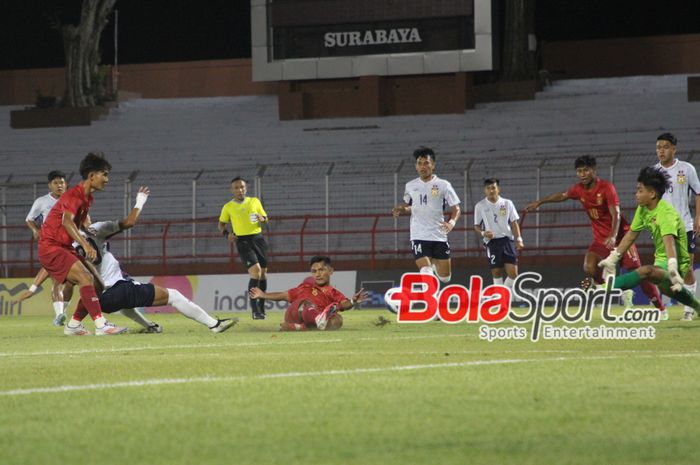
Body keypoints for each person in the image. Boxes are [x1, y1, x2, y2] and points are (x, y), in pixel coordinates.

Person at [525, 155, 666, 315]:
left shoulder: (606, 188)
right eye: (579, 171)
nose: (582, 174)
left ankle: (661, 308)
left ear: (594, 170)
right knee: (589, 267)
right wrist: (540, 202)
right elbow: (562, 195)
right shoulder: (578, 189)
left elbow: (616, 214)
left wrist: (613, 236)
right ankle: (616, 288)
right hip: (600, 240)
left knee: (638, 273)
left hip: (621, 238)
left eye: (586, 170)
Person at [38, 152, 126, 336]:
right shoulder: (74, 195)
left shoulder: (86, 198)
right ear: (92, 176)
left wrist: (86, 228)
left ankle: (74, 325)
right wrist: (85, 244)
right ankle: (101, 325)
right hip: (51, 247)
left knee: (99, 284)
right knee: (86, 278)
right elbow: (66, 222)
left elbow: (78, 219)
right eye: (104, 174)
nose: (107, 179)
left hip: (64, 247)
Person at [599, 167, 700, 317]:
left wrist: (673, 268)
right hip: (661, 258)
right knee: (667, 289)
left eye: (640, 191)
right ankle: (697, 307)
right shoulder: (643, 209)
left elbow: (669, 242)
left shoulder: (666, 213)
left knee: (646, 271)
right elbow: (631, 235)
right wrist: (613, 258)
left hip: (677, 260)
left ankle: (601, 288)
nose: (636, 194)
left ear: (652, 194)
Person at [392, 147, 461, 284]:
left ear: (433, 165)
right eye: (419, 163)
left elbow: (456, 208)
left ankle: (435, 263)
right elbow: (412, 206)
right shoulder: (410, 186)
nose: (423, 166)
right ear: (416, 166)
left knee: (445, 278)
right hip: (418, 234)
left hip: (438, 234)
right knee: (425, 269)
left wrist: (451, 223)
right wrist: (401, 209)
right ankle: (431, 302)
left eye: (426, 163)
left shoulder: (443, 185)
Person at [249, 256, 368, 331]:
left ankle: (302, 327)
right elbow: (283, 295)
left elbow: (344, 304)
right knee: (306, 302)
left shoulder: (333, 292)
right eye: (314, 271)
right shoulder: (305, 287)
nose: (317, 274)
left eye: (321, 270)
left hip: (309, 322)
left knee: (338, 319)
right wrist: (263, 295)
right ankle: (317, 320)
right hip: (295, 315)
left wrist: (353, 301)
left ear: (330, 271)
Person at [654, 132, 700, 320]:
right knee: (662, 269)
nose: (661, 151)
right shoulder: (654, 172)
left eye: (665, 147)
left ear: (674, 148)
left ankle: (689, 310)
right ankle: (661, 306)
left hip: (685, 226)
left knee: (687, 267)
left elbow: (698, 192)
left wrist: (698, 218)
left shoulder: (686, 169)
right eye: (658, 147)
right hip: (663, 229)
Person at [24, 170, 73, 326]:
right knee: (57, 281)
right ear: (49, 185)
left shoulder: (72, 200)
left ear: (66, 185)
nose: (59, 185)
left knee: (69, 282)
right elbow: (29, 219)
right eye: (56, 183)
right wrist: (35, 230)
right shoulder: (42, 201)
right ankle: (60, 315)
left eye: (62, 182)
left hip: (70, 244)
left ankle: (61, 313)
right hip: (52, 246)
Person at [218, 177, 270, 320]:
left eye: (242, 187)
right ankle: (254, 310)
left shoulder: (254, 201)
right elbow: (221, 225)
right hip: (242, 241)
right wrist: (226, 234)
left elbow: (266, 218)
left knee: (263, 274)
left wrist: (262, 218)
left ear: (246, 188)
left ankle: (261, 306)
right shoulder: (228, 207)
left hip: (258, 239)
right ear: (232, 190)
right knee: (256, 272)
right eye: (236, 187)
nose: (240, 190)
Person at [474, 178, 524, 299]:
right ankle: (500, 301)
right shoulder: (480, 206)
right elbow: (476, 226)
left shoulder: (507, 203)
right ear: (484, 190)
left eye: (493, 188)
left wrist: (519, 239)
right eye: (488, 188)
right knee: (496, 272)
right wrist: (483, 233)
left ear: (498, 189)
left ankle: (501, 295)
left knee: (513, 274)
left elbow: (514, 223)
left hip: (507, 240)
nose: (491, 190)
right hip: (492, 242)